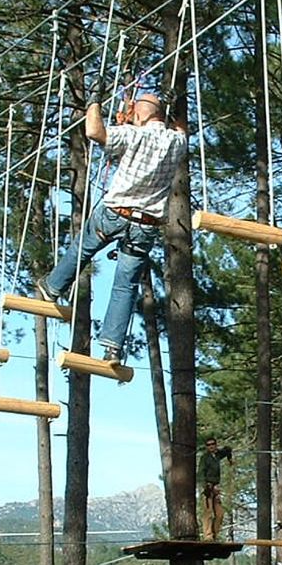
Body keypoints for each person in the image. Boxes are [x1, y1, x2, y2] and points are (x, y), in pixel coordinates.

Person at [36, 92, 187, 365]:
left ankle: (53, 287)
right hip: (146, 225)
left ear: (139, 114)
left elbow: (94, 131)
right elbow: (180, 128)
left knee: (82, 248)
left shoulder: (131, 135)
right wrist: (167, 112)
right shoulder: (176, 142)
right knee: (125, 286)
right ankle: (112, 347)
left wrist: (94, 101)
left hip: (115, 214)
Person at [199, 437, 232, 540]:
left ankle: (214, 534)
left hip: (216, 488)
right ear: (206, 447)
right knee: (208, 513)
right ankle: (208, 536)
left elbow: (227, 450)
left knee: (220, 514)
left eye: (213, 444)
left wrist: (229, 458)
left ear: (216, 445)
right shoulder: (205, 458)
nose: (211, 446)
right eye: (209, 445)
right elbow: (200, 473)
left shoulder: (217, 456)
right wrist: (205, 486)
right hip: (208, 487)